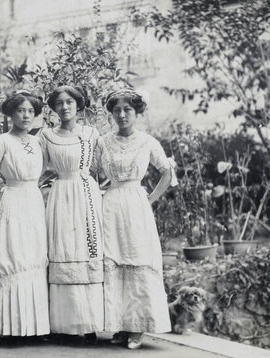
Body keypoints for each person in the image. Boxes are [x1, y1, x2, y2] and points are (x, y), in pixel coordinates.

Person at [94, 88, 177, 349]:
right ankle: (119, 324)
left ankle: (138, 327)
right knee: (113, 262)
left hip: (136, 204)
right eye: (116, 110)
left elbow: (167, 173)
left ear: (137, 112)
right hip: (110, 204)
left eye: (127, 109)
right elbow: (92, 172)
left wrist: (149, 199)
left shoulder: (148, 142)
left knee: (136, 260)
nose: (121, 115)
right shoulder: (103, 141)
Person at [0, 91, 50, 338]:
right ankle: (8, 327)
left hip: (34, 200)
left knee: (34, 254)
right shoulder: (1, 142)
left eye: (31, 111)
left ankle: (34, 326)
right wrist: (3, 194)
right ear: (11, 113)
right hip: (12, 200)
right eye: (21, 110)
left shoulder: (37, 141)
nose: (26, 115)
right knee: (13, 253)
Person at [40, 85, 104, 343]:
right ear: (53, 108)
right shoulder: (45, 136)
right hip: (61, 196)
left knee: (87, 251)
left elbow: (105, 164)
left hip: (86, 195)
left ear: (79, 105)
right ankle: (62, 325)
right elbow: (37, 168)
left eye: (69, 102)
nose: (64, 107)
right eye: (59, 103)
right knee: (63, 250)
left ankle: (89, 324)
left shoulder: (91, 133)